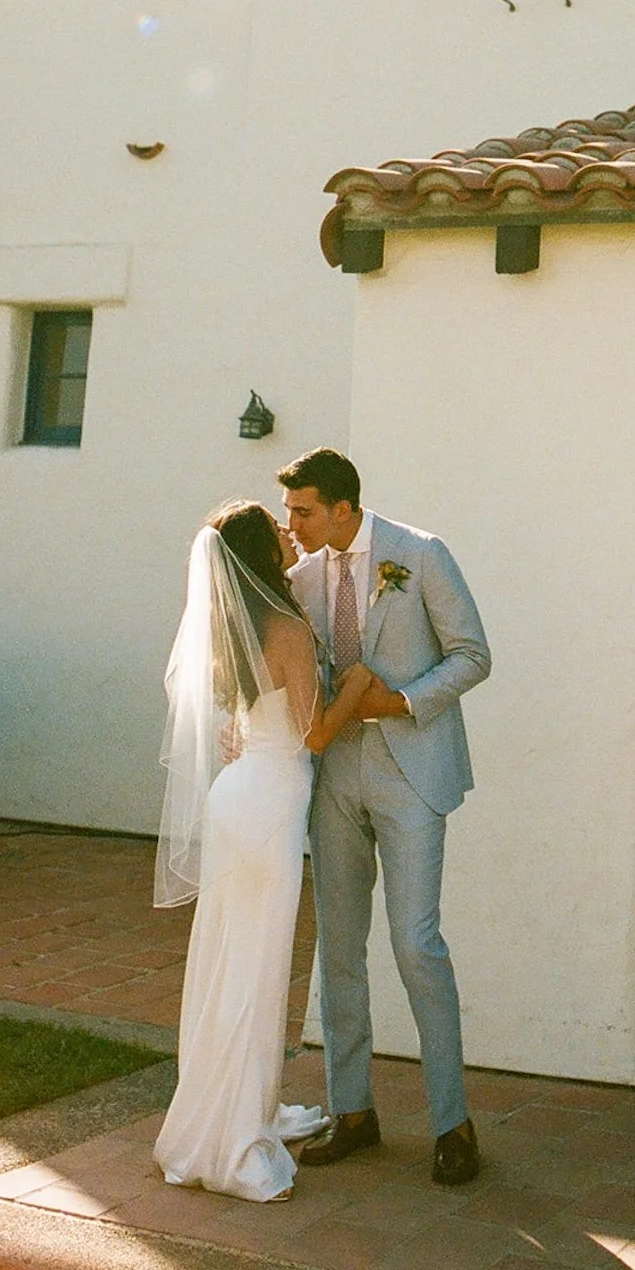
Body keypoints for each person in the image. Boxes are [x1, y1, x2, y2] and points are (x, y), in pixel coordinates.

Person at [279, 449, 491, 1186]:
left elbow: (472, 655)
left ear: (343, 508)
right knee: (338, 949)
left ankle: (452, 1122)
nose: (292, 524)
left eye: (303, 511)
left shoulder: (420, 553)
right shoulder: (301, 577)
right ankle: (353, 1111)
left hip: (412, 774)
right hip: (334, 776)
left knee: (415, 943)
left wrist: (397, 702)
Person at [152, 500, 372, 1203]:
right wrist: (357, 687)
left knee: (231, 961)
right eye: (276, 528)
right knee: (256, 966)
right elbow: (314, 733)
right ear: (259, 552)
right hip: (269, 803)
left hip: (238, 795)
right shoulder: (286, 626)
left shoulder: (234, 624)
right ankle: (237, 1136)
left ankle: (234, 1111)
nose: (287, 531)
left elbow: (255, 717)